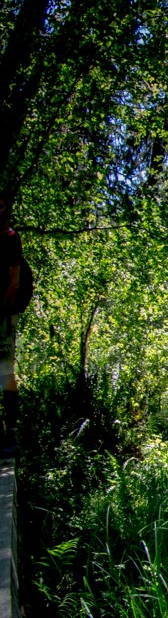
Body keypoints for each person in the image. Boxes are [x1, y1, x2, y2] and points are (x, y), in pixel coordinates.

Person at [0, 195, 23, 456]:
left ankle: (12, 436)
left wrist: (3, 314)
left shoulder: (10, 238)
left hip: (2, 319)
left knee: (5, 373)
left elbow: (14, 282)